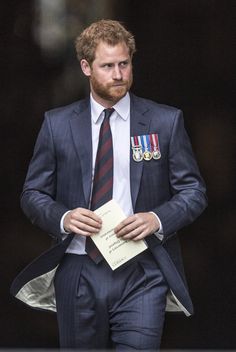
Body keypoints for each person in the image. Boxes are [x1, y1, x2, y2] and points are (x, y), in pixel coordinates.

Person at [11, 19, 207, 350]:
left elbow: (194, 192)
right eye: (107, 66)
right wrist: (63, 217)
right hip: (77, 268)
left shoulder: (164, 120)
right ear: (86, 67)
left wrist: (156, 219)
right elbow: (32, 194)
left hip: (143, 270)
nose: (118, 74)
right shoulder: (57, 124)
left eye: (124, 64)